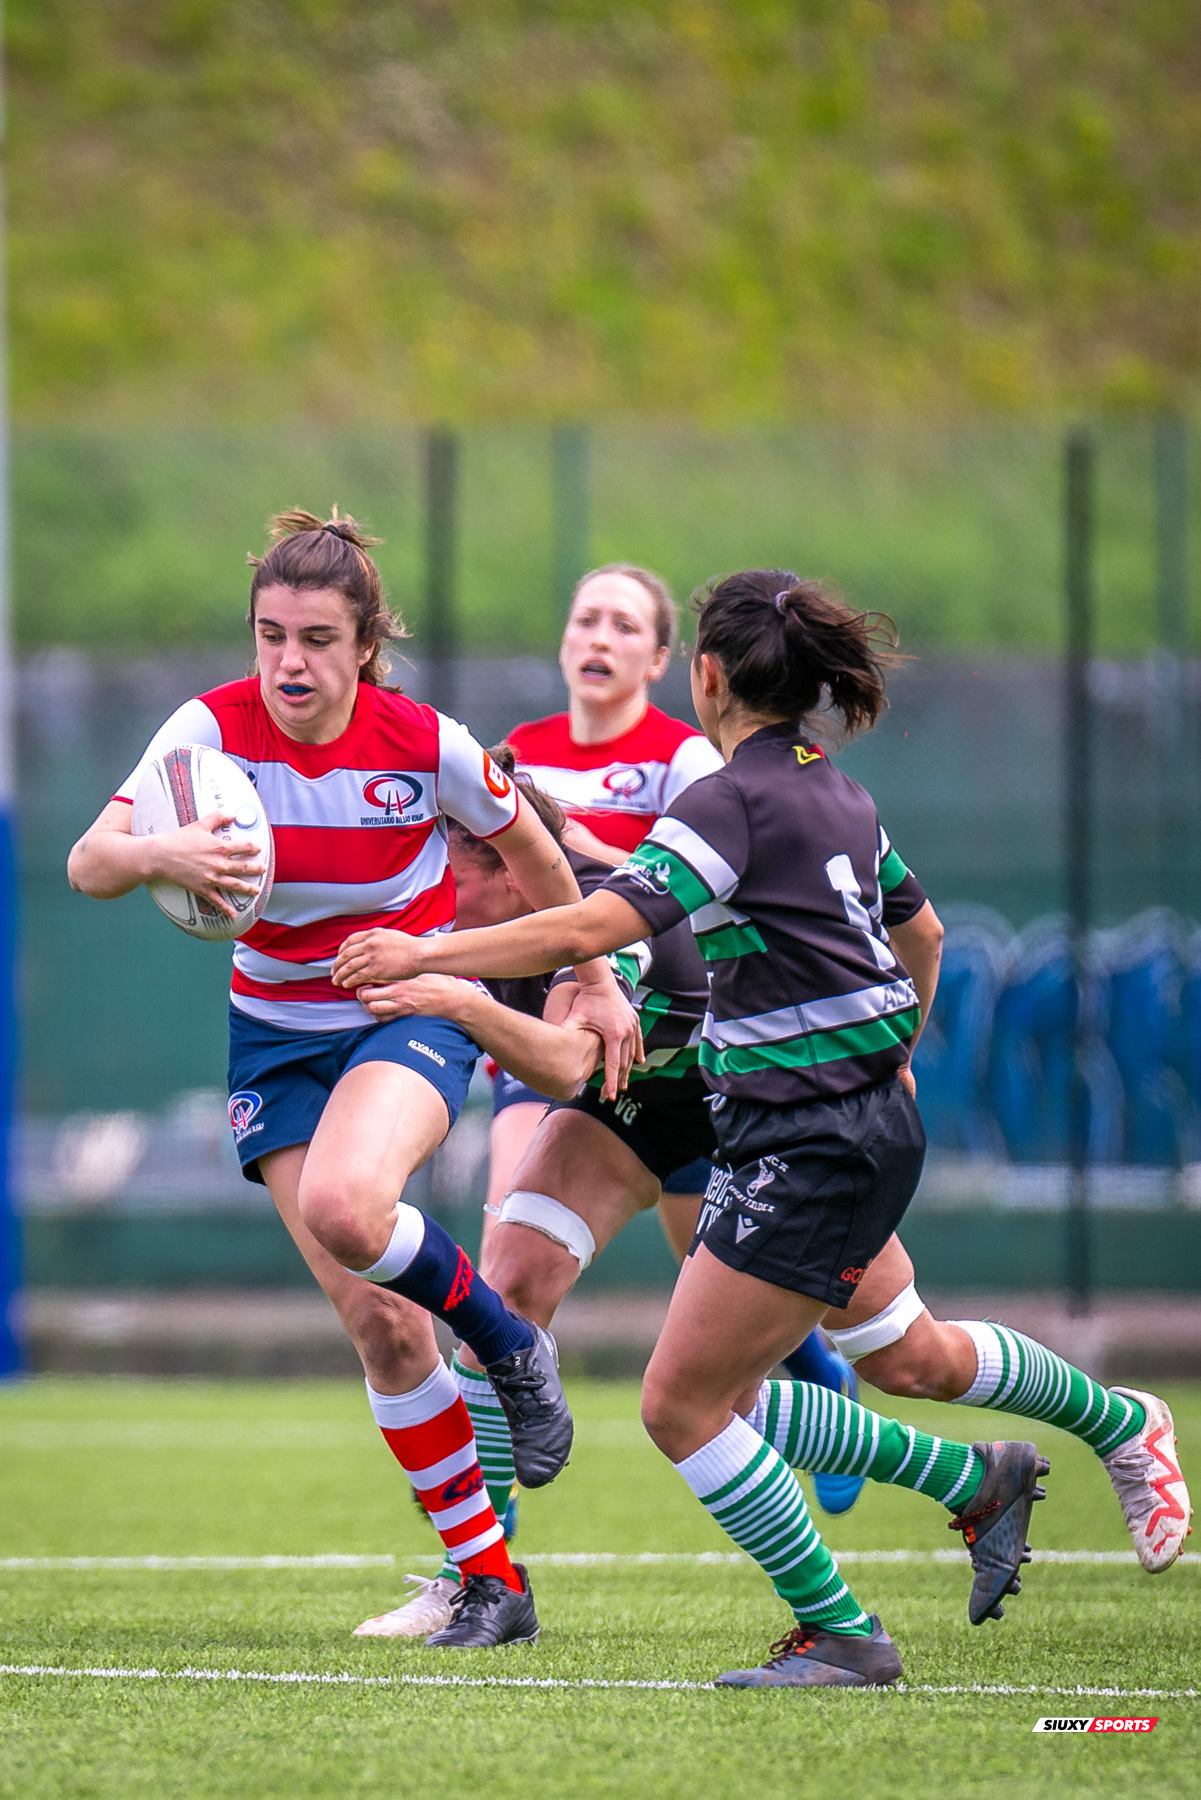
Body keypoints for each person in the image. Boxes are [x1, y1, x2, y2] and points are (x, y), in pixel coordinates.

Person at [332, 570, 1062, 1686]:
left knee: (831, 1369)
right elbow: (916, 937)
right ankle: (484, 1576)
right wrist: (897, 1049)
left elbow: (586, 983)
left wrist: (437, 973)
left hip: (755, 1111)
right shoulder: (775, 787)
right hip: (706, 1103)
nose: (433, 878)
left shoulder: (703, 790)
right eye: (585, 616)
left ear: (690, 667)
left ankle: (1051, 1462)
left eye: (624, 621)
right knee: (522, 1299)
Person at [67, 508, 640, 1652]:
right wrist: (161, 852)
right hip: (272, 1037)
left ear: (365, 646)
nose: (289, 662)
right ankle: (492, 1583)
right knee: (377, 1321)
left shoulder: (422, 742)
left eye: (318, 639)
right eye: (270, 635)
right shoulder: (207, 733)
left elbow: (536, 853)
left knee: (346, 1207)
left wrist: (595, 981)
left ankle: (506, 1344)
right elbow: (91, 863)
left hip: (402, 1010)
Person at [507, 564, 865, 1507]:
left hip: (682, 1042)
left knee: (718, 1278)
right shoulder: (519, 753)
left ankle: (820, 1377)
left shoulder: (689, 761)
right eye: (585, 618)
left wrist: (576, 854)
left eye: (624, 626)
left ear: (671, 661)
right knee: (511, 1268)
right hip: (566, 1024)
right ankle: (483, 1549)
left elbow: (688, 881)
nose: (599, 637)